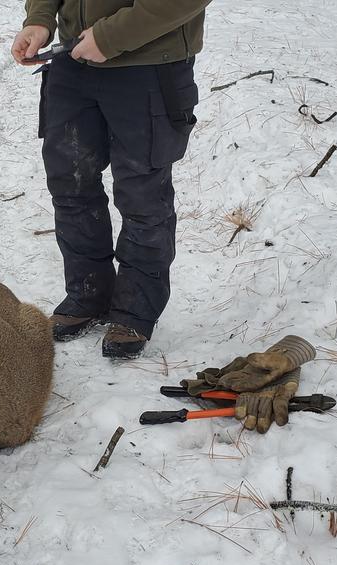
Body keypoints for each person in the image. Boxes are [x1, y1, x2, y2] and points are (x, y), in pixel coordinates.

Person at [12, 0, 211, 359]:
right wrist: (39, 19)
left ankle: (135, 311)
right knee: (71, 185)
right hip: (73, 62)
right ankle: (88, 294)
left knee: (143, 196)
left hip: (149, 64)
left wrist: (110, 36)